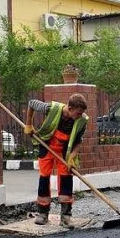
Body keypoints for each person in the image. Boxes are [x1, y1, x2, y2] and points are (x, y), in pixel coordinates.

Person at [24, 93, 89, 227]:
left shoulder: (82, 120)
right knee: (44, 177)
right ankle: (43, 214)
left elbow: (79, 141)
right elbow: (31, 103)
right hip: (47, 145)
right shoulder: (51, 108)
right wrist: (29, 124)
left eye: (82, 113)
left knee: (66, 179)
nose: (80, 116)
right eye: (78, 113)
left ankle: (65, 217)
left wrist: (72, 157)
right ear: (69, 108)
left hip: (65, 150)